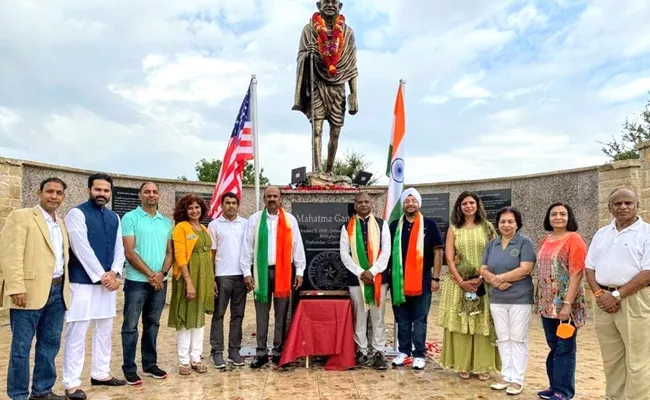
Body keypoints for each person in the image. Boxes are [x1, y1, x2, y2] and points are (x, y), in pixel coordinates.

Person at [0, 178, 70, 400]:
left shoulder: (61, 223)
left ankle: (42, 391)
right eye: (49, 191)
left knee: (49, 345)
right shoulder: (21, 217)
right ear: (39, 193)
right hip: (28, 293)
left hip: (57, 292)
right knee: (21, 348)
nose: (54, 196)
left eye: (59, 193)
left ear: (63, 197)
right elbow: (10, 255)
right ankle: (18, 395)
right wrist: (16, 288)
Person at [63, 173, 126, 400]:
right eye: (98, 189)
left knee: (104, 330)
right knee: (77, 332)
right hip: (82, 283)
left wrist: (116, 272)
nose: (102, 194)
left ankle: (100, 373)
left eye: (106, 190)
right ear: (89, 190)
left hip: (107, 283)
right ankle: (71, 382)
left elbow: (119, 247)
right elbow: (81, 248)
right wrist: (102, 275)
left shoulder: (114, 217)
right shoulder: (76, 214)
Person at [585, 187, 650, 400]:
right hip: (603, 301)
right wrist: (599, 295)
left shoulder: (647, 233)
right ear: (609, 207)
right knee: (611, 359)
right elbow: (589, 267)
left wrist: (616, 295)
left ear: (637, 206)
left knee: (638, 360)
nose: (623, 207)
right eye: (618, 203)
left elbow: (647, 272)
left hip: (634, 300)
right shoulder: (602, 233)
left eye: (628, 203)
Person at [241, 186, 307, 368]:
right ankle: (261, 352)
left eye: (275, 196)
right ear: (264, 199)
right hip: (261, 273)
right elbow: (247, 247)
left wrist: (300, 271)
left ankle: (278, 351)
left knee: (281, 315)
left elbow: (297, 246)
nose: (272, 199)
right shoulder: (254, 220)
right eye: (269, 196)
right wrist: (247, 272)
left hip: (284, 273)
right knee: (261, 315)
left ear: (281, 199)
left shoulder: (290, 220)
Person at [438, 191, 500, 381]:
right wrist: (462, 282)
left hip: (483, 283)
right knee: (462, 323)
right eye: (464, 203)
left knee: (482, 323)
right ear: (459, 206)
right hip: (458, 284)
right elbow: (449, 257)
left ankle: (483, 366)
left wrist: (482, 276)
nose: (468, 206)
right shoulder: (454, 228)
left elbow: (495, 252)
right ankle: (462, 364)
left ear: (477, 205)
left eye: (471, 202)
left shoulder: (487, 227)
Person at [292, 0, 358, 173]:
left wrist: (354, 95)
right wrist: (308, 54)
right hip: (317, 84)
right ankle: (317, 170)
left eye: (334, 2)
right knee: (317, 129)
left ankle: (329, 172)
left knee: (335, 132)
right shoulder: (309, 30)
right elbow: (300, 56)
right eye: (326, 1)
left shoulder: (348, 33)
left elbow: (351, 67)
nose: (330, 4)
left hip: (338, 88)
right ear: (319, 5)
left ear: (340, 6)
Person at [120, 182, 173, 385]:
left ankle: (150, 364)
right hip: (137, 282)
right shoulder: (130, 218)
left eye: (155, 192)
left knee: (152, 324)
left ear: (159, 195)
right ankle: (129, 368)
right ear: (140, 195)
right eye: (147, 192)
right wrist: (152, 274)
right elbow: (129, 251)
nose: (151, 195)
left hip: (160, 283)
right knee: (130, 326)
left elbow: (170, 253)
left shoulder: (165, 222)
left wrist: (162, 273)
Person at [480, 207, 536, 396]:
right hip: (497, 298)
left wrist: (500, 278)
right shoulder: (492, 244)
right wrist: (494, 280)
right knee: (503, 337)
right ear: (498, 224)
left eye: (510, 221)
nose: (506, 225)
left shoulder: (524, 243)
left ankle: (517, 379)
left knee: (518, 338)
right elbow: (484, 269)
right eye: (503, 221)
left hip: (520, 299)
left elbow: (525, 268)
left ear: (517, 223)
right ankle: (507, 375)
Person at [535, 202, 587, 400]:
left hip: (566, 304)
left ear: (569, 217)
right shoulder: (545, 239)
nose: (558, 217)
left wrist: (567, 304)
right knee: (553, 345)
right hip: (547, 303)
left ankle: (564, 391)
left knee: (565, 346)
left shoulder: (574, 239)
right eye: (554, 214)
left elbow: (577, 273)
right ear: (548, 217)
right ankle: (553, 386)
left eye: (562, 214)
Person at [389, 188, 443, 370]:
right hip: (398, 279)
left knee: (420, 318)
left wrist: (436, 278)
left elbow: (438, 252)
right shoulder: (395, 225)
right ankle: (404, 352)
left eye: (413, 200)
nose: (410, 204)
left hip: (423, 279)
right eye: (407, 201)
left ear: (419, 203)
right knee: (402, 318)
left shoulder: (429, 224)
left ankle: (418, 354)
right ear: (403, 204)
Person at [339, 192, 390, 370]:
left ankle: (378, 352)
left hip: (378, 280)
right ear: (355, 205)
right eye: (359, 202)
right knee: (359, 317)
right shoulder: (347, 226)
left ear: (372, 204)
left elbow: (386, 252)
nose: (363, 204)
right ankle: (361, 350)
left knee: (378, 317)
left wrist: (373, 271)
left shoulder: (382, 225)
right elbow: (345, 254)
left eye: (366, 201)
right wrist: (362, 272)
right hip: (356, 279)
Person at [169, 193, 215, 375]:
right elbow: (180, 256)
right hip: (188, 277)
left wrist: (211, 280)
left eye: (197, 207)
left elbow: (209, 256)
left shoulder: (203, 228)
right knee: (186, 318)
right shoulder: (181, 228)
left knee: (199, 320)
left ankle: (196, 358)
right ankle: (183, 361)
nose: (194, 211)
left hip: (204, 278)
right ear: (184, 211)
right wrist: (189, 282)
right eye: (190, 208)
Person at [207, 192, 248, 369]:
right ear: (222, 205)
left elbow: (250, 251)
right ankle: (217, 352)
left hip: (240, 276)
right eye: (227, 203)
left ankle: (234, 351)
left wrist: (249, 274)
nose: (231, 206)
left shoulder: (245, 224)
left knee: (238, 315)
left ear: (238, 205)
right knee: (219, 315)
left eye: (234, 203)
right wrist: (212, 278)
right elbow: (211, 254)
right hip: (222, 277)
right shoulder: (214, 226)